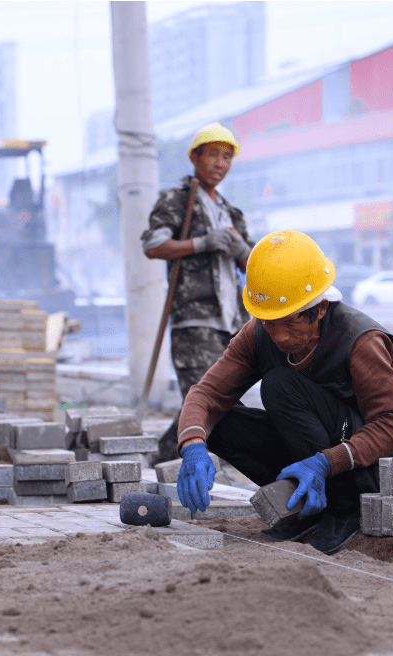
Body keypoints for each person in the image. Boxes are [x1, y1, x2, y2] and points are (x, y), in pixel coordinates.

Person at [176, 230, 393, 554]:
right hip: (327, 444)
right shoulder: (258, 335)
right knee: (219, 423)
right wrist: (193, 445)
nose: (279, 336)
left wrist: (325, 463)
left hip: (391, 453)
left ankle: (341, 509)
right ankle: (306, 506)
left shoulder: (360, 339)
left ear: (320, 309)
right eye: (269, 322)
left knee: (280, 385)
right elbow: (206, 394)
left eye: (290, 322)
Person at [142, 122, 254, 461]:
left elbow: (253, 265)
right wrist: (201, 243)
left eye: (226, 157)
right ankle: (169, 457)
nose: (220, 164)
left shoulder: (230, 212)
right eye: (212, 156)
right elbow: (153, 244)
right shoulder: (177, 201)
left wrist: (241, 250)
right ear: (195, 158)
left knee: (222, 402)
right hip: (194, 319)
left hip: (232, 321)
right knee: (203, 400)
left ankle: (166, 455)